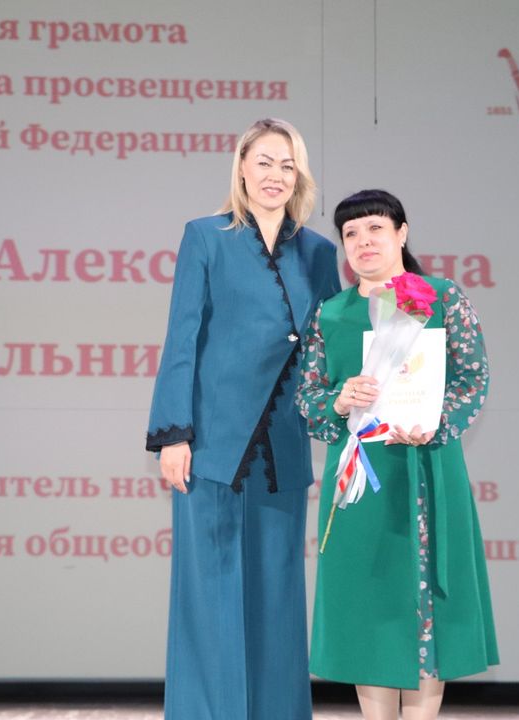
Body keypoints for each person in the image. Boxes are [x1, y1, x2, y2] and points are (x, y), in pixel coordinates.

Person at [146, 118, 341, 720]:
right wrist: (174, 435)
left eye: (287, 165)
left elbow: (329, 345)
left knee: (277, 596)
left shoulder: (318, 252)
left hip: (283, 446)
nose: (275, 175)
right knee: (209, 598)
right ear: (241, 168)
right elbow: (182, 339)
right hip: (212, 445)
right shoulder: (205, 237)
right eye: (264, 162)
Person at [296, 189, 498, 720]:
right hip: (361, 477)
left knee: (426, 602)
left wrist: (435, 424)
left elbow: (472, 377)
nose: (363, 241)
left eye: (375, 228)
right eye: (351, 233)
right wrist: (339, 400)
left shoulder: (439, 297)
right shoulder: (331, 313)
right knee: (370, 607)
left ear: (401, 234)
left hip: (427, 467)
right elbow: (309, 400)